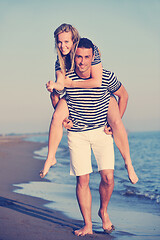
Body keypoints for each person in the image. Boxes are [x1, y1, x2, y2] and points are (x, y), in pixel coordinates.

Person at [40, 23, 138, 185]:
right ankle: (51, 157)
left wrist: (70, 84)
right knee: (57, 116)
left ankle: (128, 162)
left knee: (115, 121)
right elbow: (60, 84)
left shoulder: (92, 51)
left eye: (66, 42)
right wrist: (54, 85)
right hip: (76, 114)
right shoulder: (61, 61)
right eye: (59, 42)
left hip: (101, 93)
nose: (62, 46)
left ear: (75, 41)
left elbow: (97, 81)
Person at [51, 38, 128, 236]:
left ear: (93, 58)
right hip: (77, 134)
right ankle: (87, 224)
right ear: (74, 57)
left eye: (87, 57)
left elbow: (124, 96)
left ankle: (103, 211)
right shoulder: (67, 76)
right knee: (83, 180)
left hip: (101, 133)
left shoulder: (106, 76)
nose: (82, 61)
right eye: (79, 57)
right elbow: (56, 98)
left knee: (108, 178)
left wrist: (114, 122)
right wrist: (63, 120)